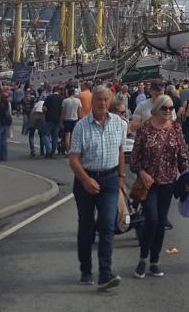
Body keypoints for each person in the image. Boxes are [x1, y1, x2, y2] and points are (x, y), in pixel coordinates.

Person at [69, 86, 127, 290]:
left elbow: (121, 151)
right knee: (86, 226)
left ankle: (105, 273)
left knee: (107, 224)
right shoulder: (81, 126)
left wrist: (121, 177)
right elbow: (74, 160)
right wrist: (86, 180)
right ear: (92, 101)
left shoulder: (118, 123)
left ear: (110, 101)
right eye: (99, 99)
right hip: (85, 179)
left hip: (109, 179)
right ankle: (86, 271)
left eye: (106, 100)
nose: (102, 103)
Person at [130, 94, 189, 278]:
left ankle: (154, 261)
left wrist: (188, 179)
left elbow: (183, 156)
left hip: (168, 181)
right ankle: (143, 258)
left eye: (171, 108)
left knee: (161, 222)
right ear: (156, 109)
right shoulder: (145, 129)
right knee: (152, 219)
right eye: (165, 108)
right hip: (149, 183)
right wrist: (142, 173)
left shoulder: (176, 129)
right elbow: (134, 159)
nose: (168, 111)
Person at [61, 87, 82, 155]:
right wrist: (80, 119)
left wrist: (61, 120)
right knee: (74, 136)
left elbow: (63, 112)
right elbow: (79, 111)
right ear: (74, 93)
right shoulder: (78, 101)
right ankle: (74, 150)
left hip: (67, 119)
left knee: (67, 136)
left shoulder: (65, 101)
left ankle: (67, 150)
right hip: (75, 119)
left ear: (68, 93)